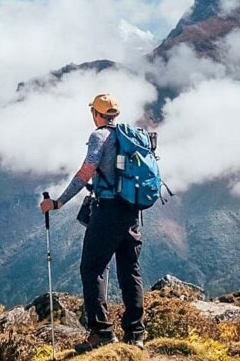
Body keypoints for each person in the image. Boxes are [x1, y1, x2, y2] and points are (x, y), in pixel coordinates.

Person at [39, 93, 145, 351]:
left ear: (96, 114)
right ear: (116, 114)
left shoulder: (99, 136)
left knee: (91, 269)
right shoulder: (130, 137)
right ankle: (136, 334)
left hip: (107, 211)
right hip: (131, 210)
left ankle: (101, 332)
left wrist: (59, 202)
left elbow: (85, 172)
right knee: (130, 271)